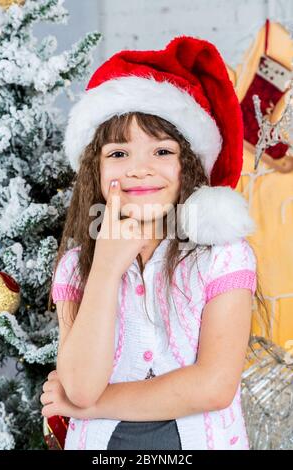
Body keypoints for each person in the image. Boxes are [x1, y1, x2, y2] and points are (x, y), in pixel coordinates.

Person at [40, 35, 267, 450]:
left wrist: (91, 407)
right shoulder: (78, 266)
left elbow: (212, 385)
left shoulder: (223, 257)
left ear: (189, 167)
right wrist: (106, 269)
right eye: (119, 154)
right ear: (95, 166)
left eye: (162, 151)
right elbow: (80, 385)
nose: (140, 170)